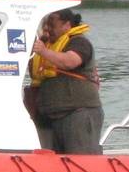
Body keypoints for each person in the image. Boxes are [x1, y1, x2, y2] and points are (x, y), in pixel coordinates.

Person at [28, 8, 104, 154]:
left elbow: (70, 61)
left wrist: (43, 51)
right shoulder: (47, 44)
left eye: (52, 25)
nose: (47, 28)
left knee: (81, 159)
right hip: (49, 115)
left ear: (67, 25)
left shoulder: (79, 42)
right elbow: (34, 72)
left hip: (78, 113)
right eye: (45, 24)